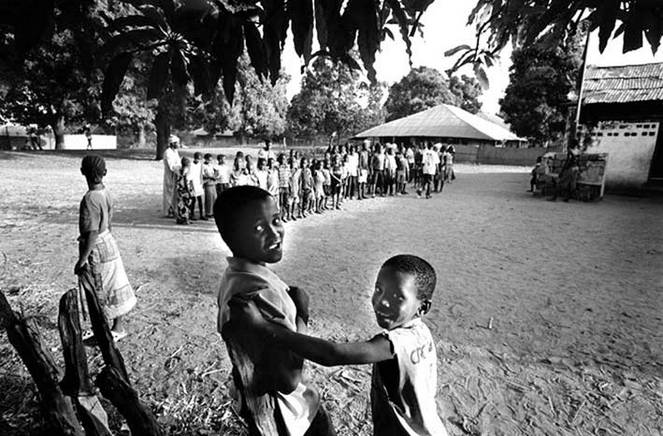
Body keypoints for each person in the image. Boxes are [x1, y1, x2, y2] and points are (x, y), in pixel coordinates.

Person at [233, 254, 448, 436]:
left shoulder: (396, 342)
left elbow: (332, 354)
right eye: (379, 289)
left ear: (422, 308)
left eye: (398, 297)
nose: (382, 301)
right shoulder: (420, 333)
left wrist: (264, 327)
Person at [213, 186, 335, 436]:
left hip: (262, 403)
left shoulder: (235, 276)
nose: (275, 233)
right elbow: (288, 379)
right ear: (231, 236)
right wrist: (302, 313)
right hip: (292, 414)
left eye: (277, 220)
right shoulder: (259, 290)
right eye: (259, 228)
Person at [75, 155, 136, 342]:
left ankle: (101, 327)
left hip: (96, 246)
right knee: (115, 282)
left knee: (97, 286)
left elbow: (92, 232)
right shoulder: (106, 193)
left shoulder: (89, 199)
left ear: (82, 172)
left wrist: (82, 259)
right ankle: (117, 326)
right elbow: (108, 223)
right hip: (108, 240)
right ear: (105, 173)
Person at [162, 135, 182, 217]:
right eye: (177, 143)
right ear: (173, 143)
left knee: (175, 193)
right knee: (169, 193)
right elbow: (172, 166)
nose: (179, 145)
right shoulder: (168, 152)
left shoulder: (175, 152)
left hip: (176, 174)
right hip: (170, 175)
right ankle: (168, 211)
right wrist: (179, 168)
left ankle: (174, 210)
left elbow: (178, 163)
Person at [176, 157, 195, 224]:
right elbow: (187, 182)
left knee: (180, 204)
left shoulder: (179, 170)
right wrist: (189, 192)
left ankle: (180, 219)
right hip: (185, 190)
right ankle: (185, 219)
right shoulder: (187, 170)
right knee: (186, 205)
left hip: (180, 189)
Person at [189, 152, 206, 220]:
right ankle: (192, 214)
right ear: (194, 158)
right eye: (197, 159)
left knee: (201, 200)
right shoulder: (191, 165)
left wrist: (202, 182)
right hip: (193, 183)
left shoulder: (200, 164)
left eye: (199, 159)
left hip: (199, 183)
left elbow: (201, 174)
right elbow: (190, 176)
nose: (198, 160)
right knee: (193, 200)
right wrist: (191, 185)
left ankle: (202, 214)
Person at [277, 154, 291, 221]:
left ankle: (284, 215)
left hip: (286, 186)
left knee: (286, 202)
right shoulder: (278, 167)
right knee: (281, 202)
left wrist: (289, 186)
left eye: (284, 159)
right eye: (282, 159)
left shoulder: (287, 167)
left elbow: (289, 177)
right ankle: (280, 215)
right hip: (280, 187)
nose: (283, 160)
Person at [202, 153, 217, 219]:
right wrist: (209, 177)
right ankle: (208, 212)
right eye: (208, 160)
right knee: (209, 199)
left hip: (213, 183)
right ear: (205, 159)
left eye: (211, 160)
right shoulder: (203, 166)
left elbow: (215, 171)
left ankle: (213, 212)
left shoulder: (211, 165)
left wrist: (214, 175)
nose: (210, 161)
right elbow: (203, 174)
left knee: (214, 198)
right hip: (207, 183)